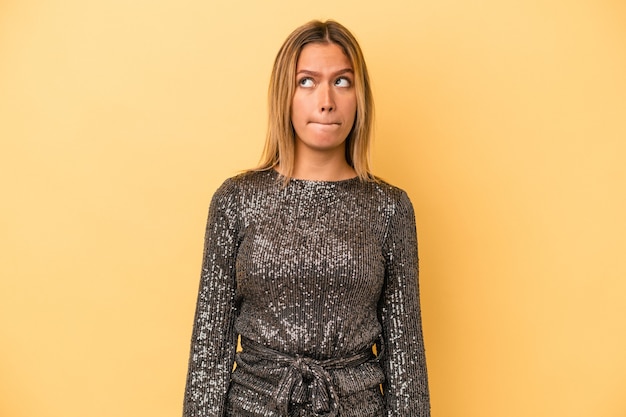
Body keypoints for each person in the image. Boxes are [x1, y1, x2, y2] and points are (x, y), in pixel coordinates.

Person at [183, 20, 430, 417]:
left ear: (359, 96)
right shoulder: (236, 200)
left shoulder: (390, 208)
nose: (326, 100)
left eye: (343, 82)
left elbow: (406, 364)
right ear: (286, 93)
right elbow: (209, 353)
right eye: (307, 82)